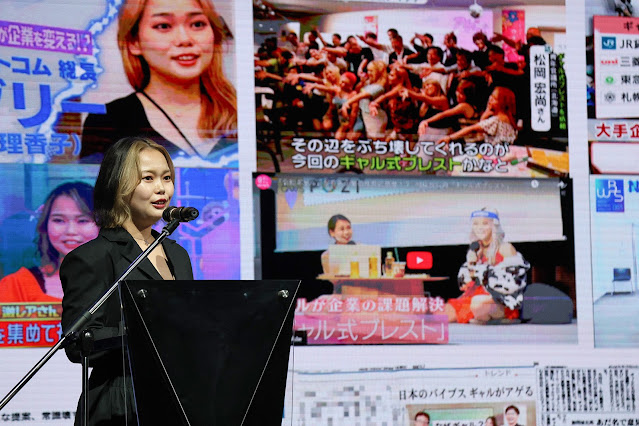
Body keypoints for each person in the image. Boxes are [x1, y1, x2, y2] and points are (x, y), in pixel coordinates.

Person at [61, 137, 194, 425]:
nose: (162, 188)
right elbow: (77, 342)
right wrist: (140, 332)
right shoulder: (92, 257)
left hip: (175, 397)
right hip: (119, 402)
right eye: (148, 178)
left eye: (167, 178)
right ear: (119, 186)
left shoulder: (178, 255)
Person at [80, 0, 237, 164]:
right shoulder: (108, 121)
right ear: (134, 42)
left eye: (197, 24)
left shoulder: (241, 111)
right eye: (163, 26)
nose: (185, 39)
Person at [0, 182, 99, 303]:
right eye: (59, 220)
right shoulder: (17, 286)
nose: (71, 231)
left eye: (83, 221)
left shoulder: (117, 281)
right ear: (45, 225)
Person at [444, 208, 522, 324]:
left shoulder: (506, 248)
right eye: (476, 224)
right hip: (472, 298)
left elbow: (515, 283)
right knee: (441, 313)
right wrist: (471, 265)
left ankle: (494, 318)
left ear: (494, 226)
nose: (479, 228)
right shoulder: (475, 250)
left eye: (485, 223)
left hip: (500, 301)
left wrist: (484, 273)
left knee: (478, 303)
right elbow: (465, 285)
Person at [437, 87, 518, 146]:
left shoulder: (496, 120)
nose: (490, 99)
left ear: (502, 103)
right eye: (491, 96)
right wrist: (485, 114)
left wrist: (450, 137)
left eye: (494, 99)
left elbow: (471, 129)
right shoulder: (508, 119)